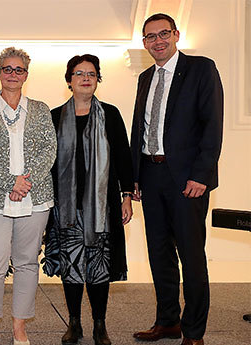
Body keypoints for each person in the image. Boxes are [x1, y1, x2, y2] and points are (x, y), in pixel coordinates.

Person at [130, 13, 223, 345]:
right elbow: (139, 128)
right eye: (150, 37)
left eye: (163, 34)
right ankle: (167, 321)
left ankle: (194, 332)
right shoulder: (145, 77)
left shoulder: (200, 69)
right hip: (151, 175)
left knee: (191, 256)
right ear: (144, 43)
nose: (157, 41)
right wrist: (135, 177)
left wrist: (201, 174)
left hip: (187, 179)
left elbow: (212, 125)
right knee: (159, 252)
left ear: (176, 34)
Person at [0, 47, 56, 345]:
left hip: (36, 197)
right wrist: (10, 182)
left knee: (27, 263)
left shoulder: (41, 109)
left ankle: (20, 327)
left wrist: (25, 183)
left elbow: (49, 149)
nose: (13, 74)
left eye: (19, 70)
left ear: (26, 75)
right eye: (8, 69)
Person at [47, 54, 133, 345]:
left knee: (98, 267)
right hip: (66, 206)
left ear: (98, 79)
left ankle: (99, 324)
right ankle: (74, 323)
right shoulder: (54, 116)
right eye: (79, 73)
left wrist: (126, 196)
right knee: (71, 266)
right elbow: (47, 163)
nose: (86, 78)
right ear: (69, 80)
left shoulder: (110, 114)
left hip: (102, 206)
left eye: (92, 74)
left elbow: (123, 157)